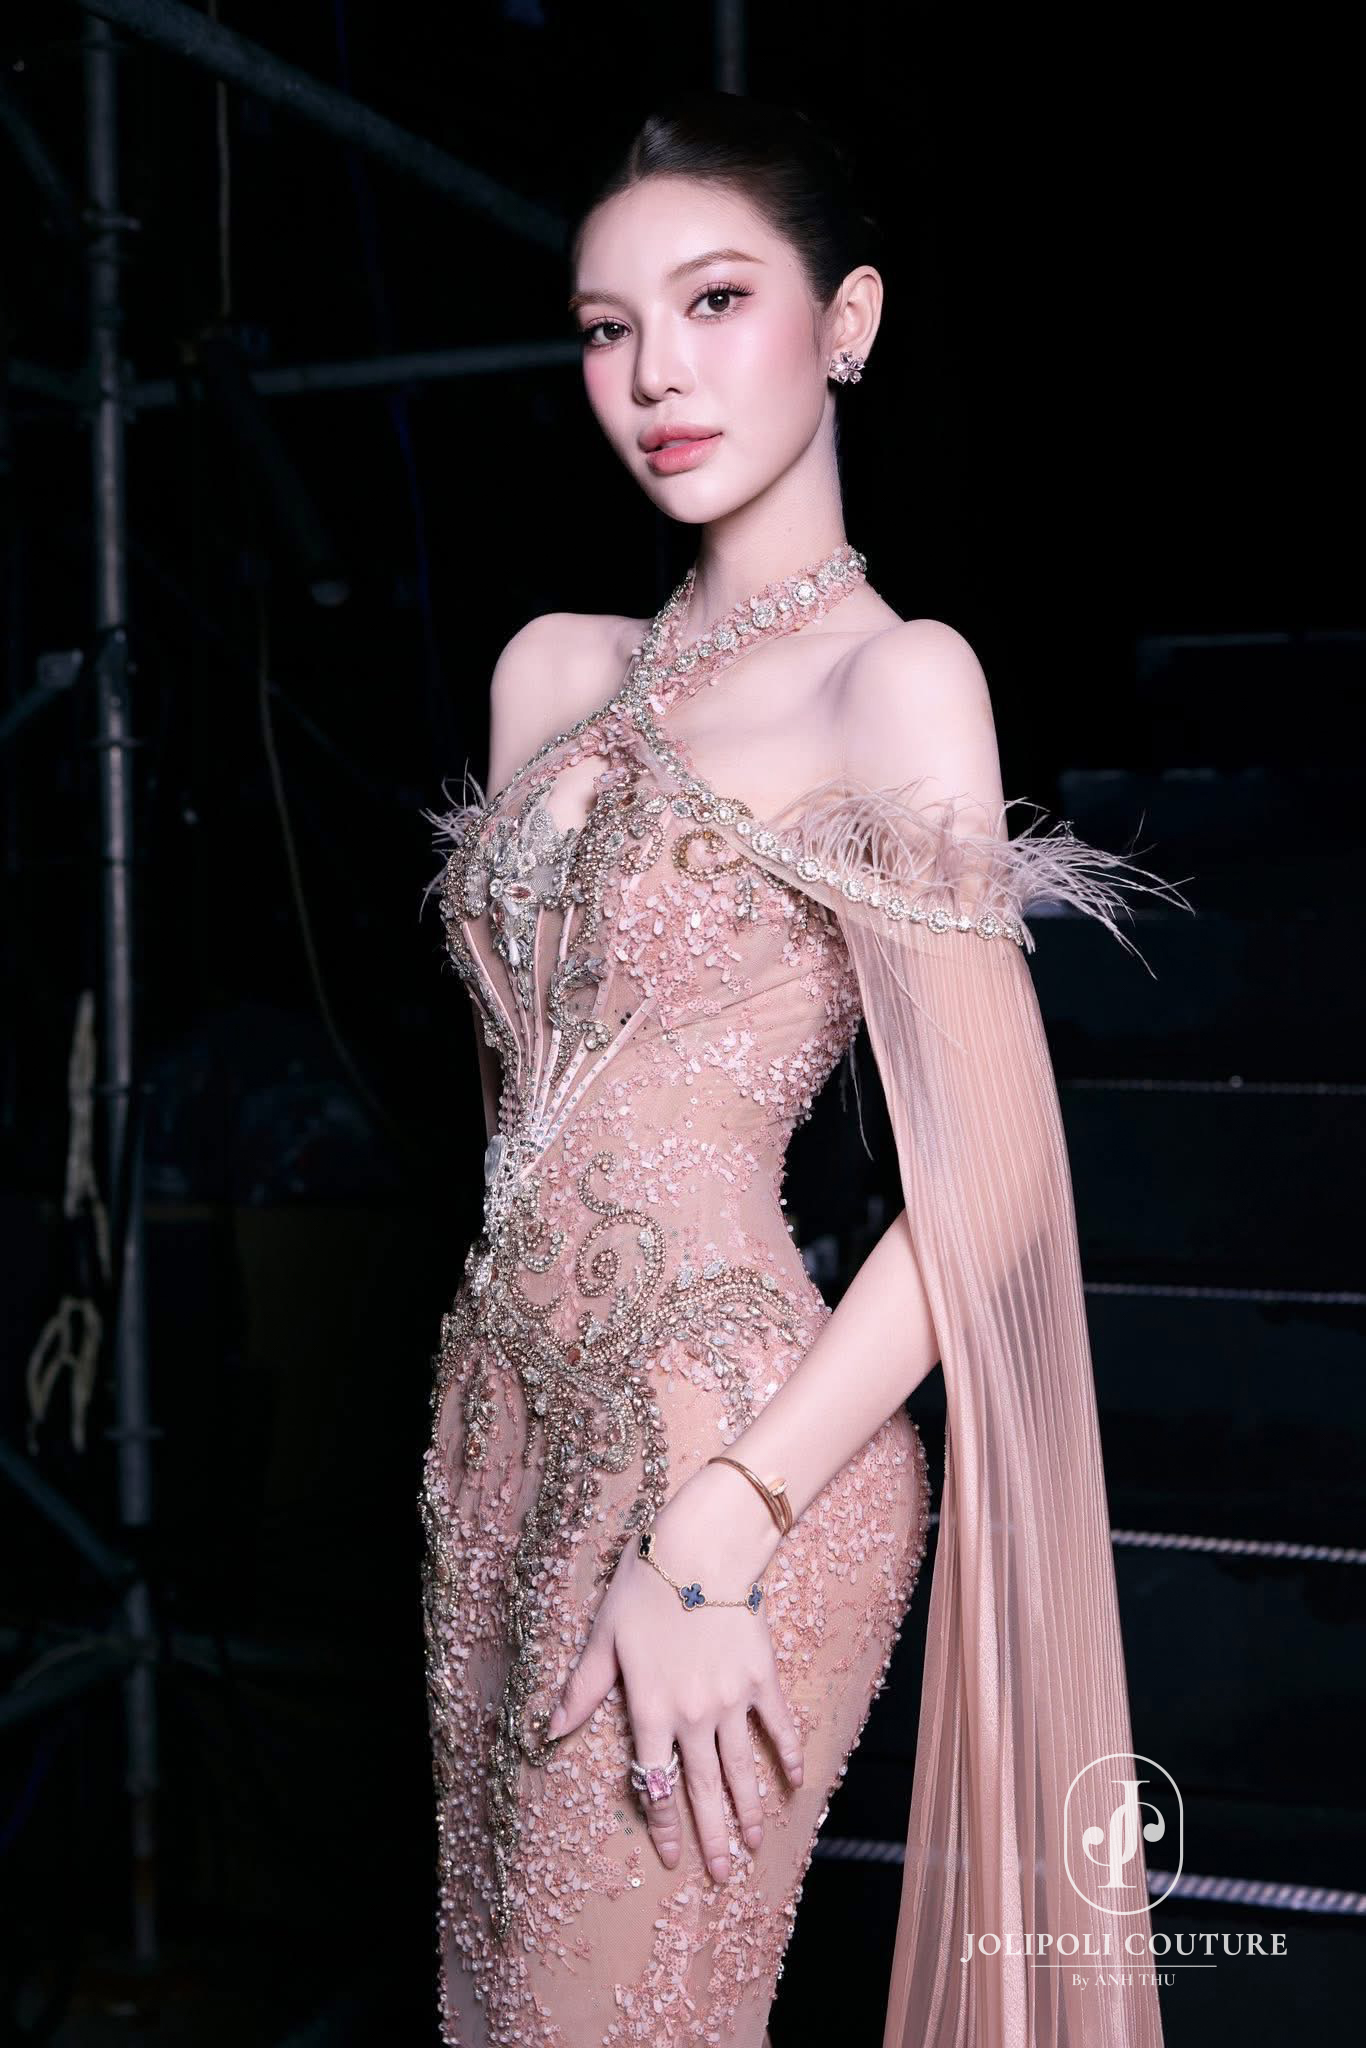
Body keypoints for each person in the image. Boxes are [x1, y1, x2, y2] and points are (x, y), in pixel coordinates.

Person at [419, 90, 1182, 2048]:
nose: (652, 375)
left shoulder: (889, 681)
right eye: (606, 328)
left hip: (731, 1461)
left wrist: (722, 1525)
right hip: (485, 1442)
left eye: (713, 302)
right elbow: (527, 1119)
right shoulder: (546, 672)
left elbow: (991, 1191)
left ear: (845, 322)